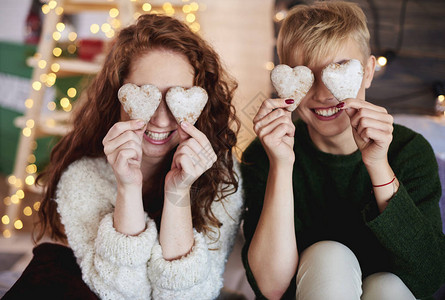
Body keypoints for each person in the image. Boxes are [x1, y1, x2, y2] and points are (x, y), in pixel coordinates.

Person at [5, 14, 243, 300]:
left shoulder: (221, 175)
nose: (160, 118)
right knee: (49, 268)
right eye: (146, 94)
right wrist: (127, 187)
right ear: (118, 96)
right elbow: (121, 293)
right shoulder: (83, 177)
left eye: (176, 98)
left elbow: (187, 297)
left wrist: (178, 191)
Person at [241, 1, 445, 299]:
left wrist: (378, 165)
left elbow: (428, 277)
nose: (324, 95)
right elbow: (271, 288)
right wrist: (281, 165)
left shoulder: (410, 151)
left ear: (368, 72)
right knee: (328, 256)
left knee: (387, 286)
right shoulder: (263, 154)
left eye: (337, 70)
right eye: (307, 75)